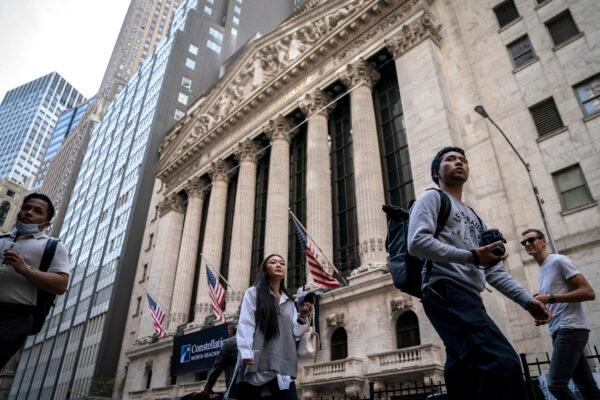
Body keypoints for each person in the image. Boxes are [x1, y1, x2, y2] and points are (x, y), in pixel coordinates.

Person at [407, 146, 551, 400]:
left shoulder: (475, 217)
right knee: (503, 363)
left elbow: (493, 271)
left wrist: (527, 301)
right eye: (450, 160)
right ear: (436, 172)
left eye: (462, 160)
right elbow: (417, 242)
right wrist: (471, 256)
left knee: (464, 376)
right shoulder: (431, 198)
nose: (458, 162)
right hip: (445, 291)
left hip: (470, 297)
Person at [521, 228, 600, 400]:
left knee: (556, 385)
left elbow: (588, 292)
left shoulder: (558, 261)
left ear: (543, 241)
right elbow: (556, 301)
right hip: (558, 330)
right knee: (587, 386)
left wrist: (549, 299)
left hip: (571, 328)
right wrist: (544, 314)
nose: (527, 244)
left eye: (531, 239)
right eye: (524, 242)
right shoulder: (542, 271)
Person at [0, 193, 70, 369]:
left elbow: (61, 284)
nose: (28, 212)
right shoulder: (2, 239)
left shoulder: (53, 246)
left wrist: (26, 270)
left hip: (15, 317)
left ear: (46, 223)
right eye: (26, 208)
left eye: (37, 211)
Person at [236, 254, 313, 400]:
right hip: (259, 363)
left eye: (282, 263)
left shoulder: (289, 302)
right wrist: (246, 353)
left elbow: (294, 333)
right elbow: (246, 324)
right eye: (273, 262)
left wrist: (303, 316)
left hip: (283, 365)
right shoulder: (253, 293)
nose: (279, 265)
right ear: (265, 269)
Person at [199, 323, 239, 399]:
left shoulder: (229, 343)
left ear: (232, 330)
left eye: (229, 330)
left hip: (234, 387)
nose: (228, 333)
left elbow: (217, 368)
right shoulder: (252, 340)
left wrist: (207, 388)